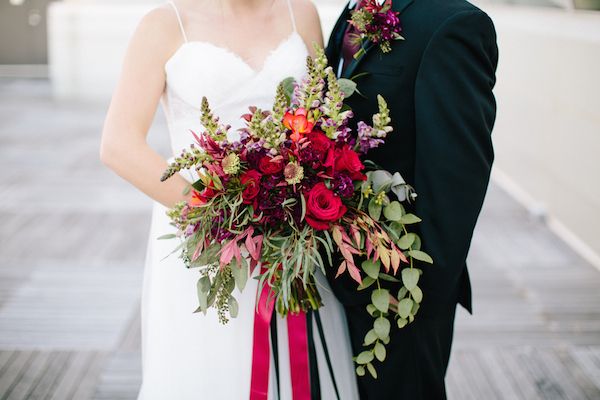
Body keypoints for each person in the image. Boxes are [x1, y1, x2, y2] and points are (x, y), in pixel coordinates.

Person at [99, 0, 359, 398]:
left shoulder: (301, 13)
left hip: (293, 238)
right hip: (208, 236)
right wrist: (225, 215)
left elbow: (321, 120)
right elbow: (118, 144)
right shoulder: (164, 23)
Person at [325, 0, 499, 398]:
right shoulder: (352, 10)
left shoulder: (453, 24)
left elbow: (458, 183)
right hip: (341, 279)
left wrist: (413, 298)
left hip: (399, 296)